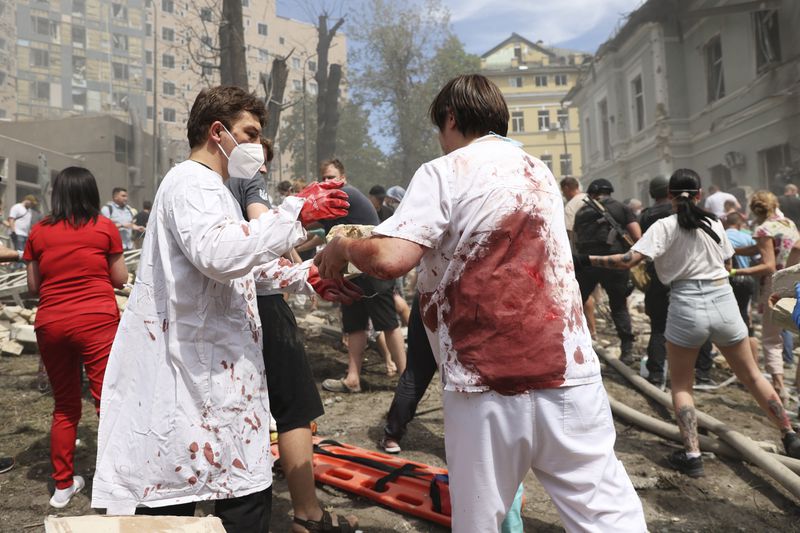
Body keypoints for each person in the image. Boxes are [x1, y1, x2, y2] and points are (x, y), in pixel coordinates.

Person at [316, 74, 646, 532]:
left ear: (451, 118)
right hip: (569, 374)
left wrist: (343, 248)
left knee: (480, 520)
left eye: (440, 128)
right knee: (605, 515)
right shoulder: (539, 171)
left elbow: (391, 258)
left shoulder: (446, 170)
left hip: (486, 380)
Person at [91, 86, 350, 530]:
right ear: (217, 131)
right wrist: (294, 212)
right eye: (249, 134)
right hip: (190, 381)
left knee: (241, 499)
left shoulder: (217, 190)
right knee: (176, 512)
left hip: (222, 386)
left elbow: (240, 269)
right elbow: (218, 252)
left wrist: (306, 277)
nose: (258, 150)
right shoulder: (190, 183)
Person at [577, 169, 800, 477]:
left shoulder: (663, 226)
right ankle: (789, 434)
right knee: (752, 376)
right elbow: (726, 262)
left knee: (682, 385)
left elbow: (628, 260)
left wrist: (587, 260)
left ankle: (693, 454)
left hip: (685, 304)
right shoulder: (714, 223)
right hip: (723, 301)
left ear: (670, 196)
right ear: (699, 195)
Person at [225, 138, 359, 532]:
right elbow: (261, 250)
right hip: (262, 308)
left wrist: (303, 275)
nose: (263, 169)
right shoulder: (245, 182)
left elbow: (248, 256)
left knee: (236, 412)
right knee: (295, 410)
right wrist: (297, 221)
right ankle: (308, 515)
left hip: (225, 316)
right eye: (259, 158)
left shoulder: (201, 188)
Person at [23, 167, 129, 508]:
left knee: (65, 407)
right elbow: (120, 278)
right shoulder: (105, 227)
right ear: (92, 193)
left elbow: (33, 286)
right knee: (106, 402)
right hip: (96, 320)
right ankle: (116, 483)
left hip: (52, 323)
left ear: (57, 194)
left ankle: (62, 487)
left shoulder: (39, 231)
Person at [316, 159, 406, 394]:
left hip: (372, 271)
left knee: (388, 323)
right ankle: (353, 378)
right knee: (354, 326)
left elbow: (314, 223)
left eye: (332, 177)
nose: (327, 182)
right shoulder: (331, 200)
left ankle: (406, 378)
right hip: (352, 274)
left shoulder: (345, 195)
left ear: (342, 177)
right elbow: (322, 233)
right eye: (324, 178)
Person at [639, 176, 715, 386]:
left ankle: (656, 375)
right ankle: (703, 374)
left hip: (659, 275)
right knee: (701, 324)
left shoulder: (646, 216)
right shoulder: (694, 214)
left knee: (659, 326)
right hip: (691, 276)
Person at [732, 190, 799, 404]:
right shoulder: (788, 224)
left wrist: (734, 271)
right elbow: (762, 248)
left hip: (775, 285)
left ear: (754, 209)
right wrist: (736, 251)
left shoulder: (763, 229)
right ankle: (795, 385)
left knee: (771, 339)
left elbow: (768, 264)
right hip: (795, 282)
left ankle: (779, 387)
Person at [573, 178, 642, 363]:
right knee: (619, 306)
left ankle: (575, 346)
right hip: (615, 263)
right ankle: (626, 350)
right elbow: (637, 236)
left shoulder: (581, 211)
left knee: (576, 305)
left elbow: (575, 239)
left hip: (587, 264)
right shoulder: (621, 208)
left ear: (592, 193)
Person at [723, 212, 759, 363]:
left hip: (726, 281)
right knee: (744, 315)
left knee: (727, 316)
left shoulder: (721, 235)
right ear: (739, 224)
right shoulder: (747, 237)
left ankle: (729, 352)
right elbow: (757, 259)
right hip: (745, 280)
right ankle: (748, 356)